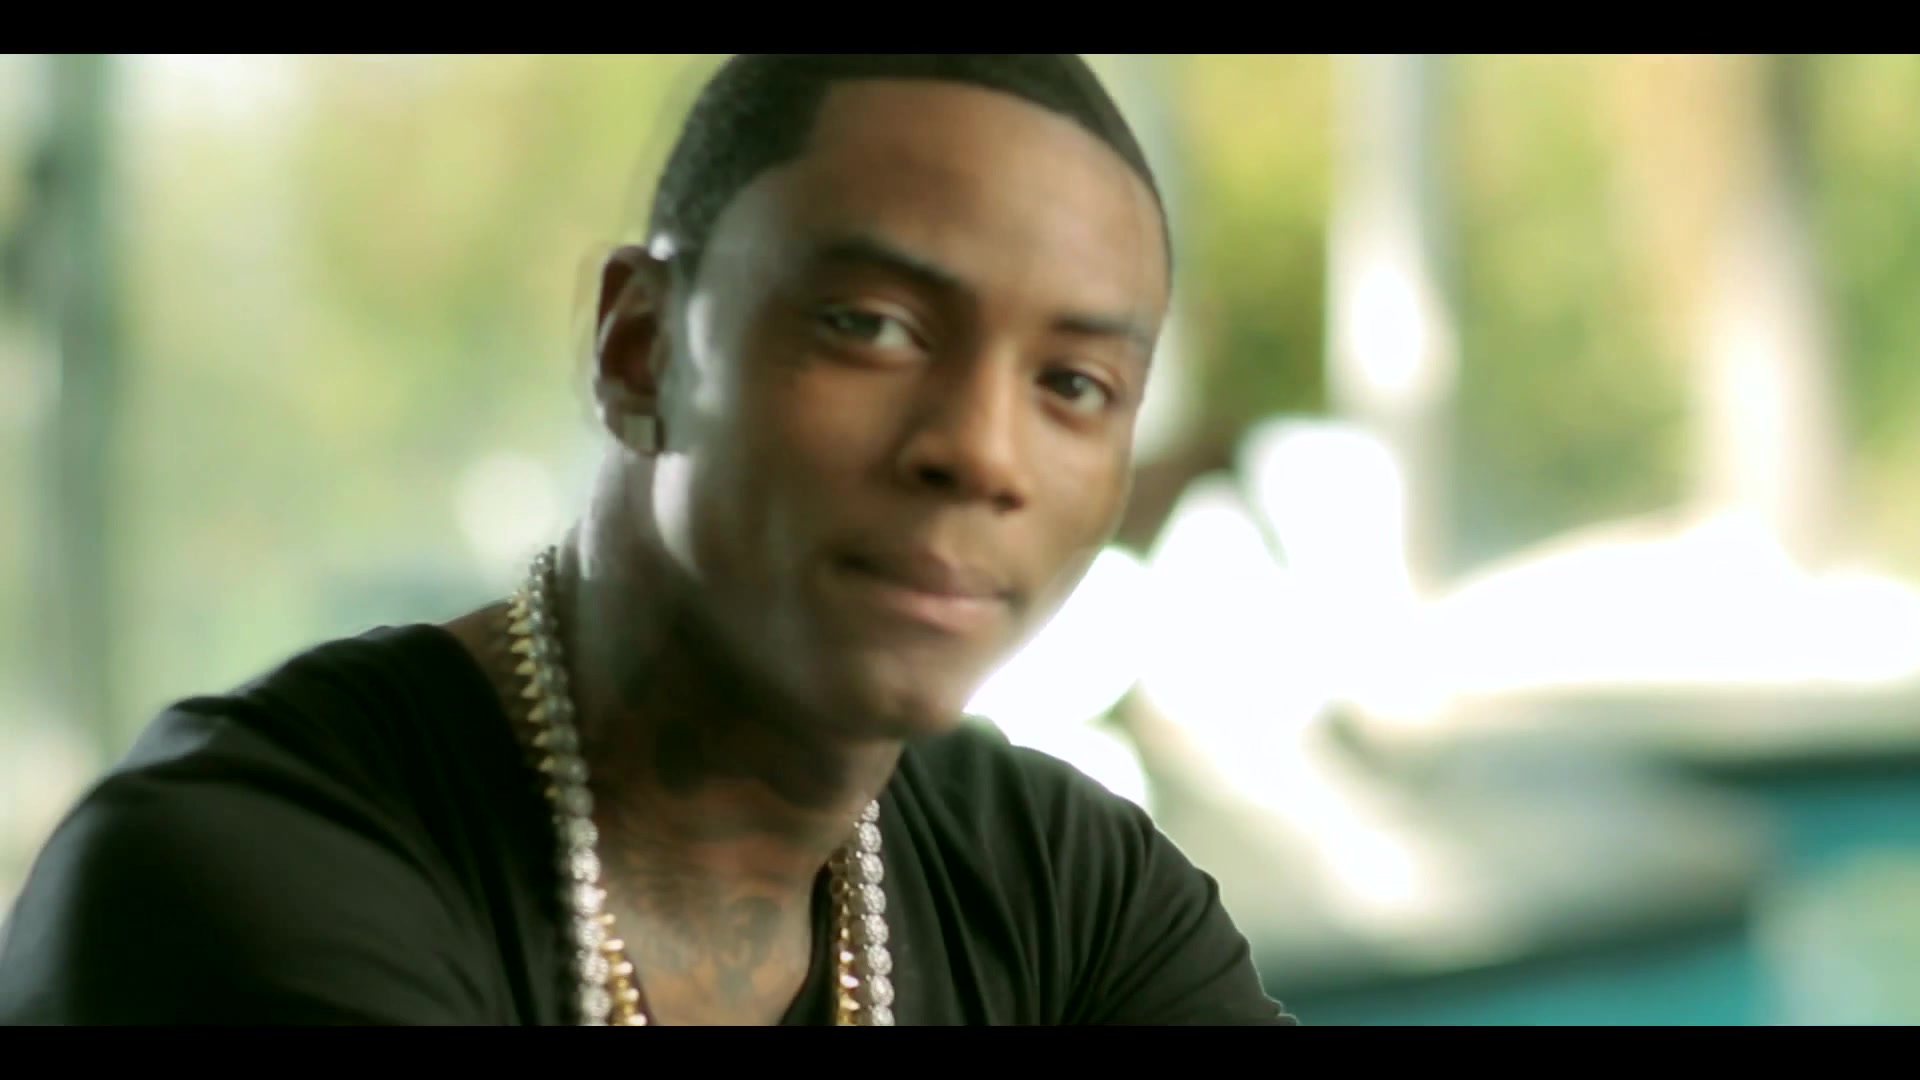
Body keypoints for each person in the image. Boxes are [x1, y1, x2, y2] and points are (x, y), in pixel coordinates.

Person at [0, 54, 1295, 1026]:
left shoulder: (1071, 896)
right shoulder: (251, 874)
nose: (982, 452)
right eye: (872, 325)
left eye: (1073, 385)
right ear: (640, 349)